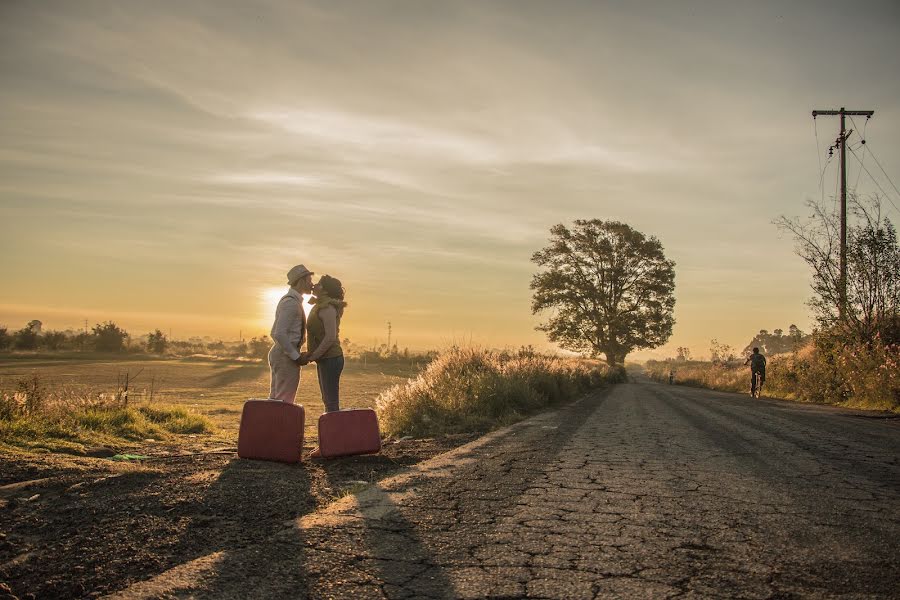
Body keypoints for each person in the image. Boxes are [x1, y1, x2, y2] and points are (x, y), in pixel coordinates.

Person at [268, 264, 314, 403]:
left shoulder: (292, 301)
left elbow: (274, 332)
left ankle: (272, 424)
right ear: (300, 281)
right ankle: (279, 424)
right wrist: (295, 356)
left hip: (282, 354)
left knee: (276, 399)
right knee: (284, 401)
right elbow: (279, 333)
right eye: (309, 280)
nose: (311, 284)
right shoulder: (291, 304)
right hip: (286, 357)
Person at [302, 275, 347, 413]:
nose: (315, 285)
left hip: (331, 358)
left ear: (325, 291)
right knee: (328, 399)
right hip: (325, 358)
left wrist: (313, 355)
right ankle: (333, 430)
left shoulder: (327, 308)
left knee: (330, 401)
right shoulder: (321, 305)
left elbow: (330, 337)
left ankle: (335, 432)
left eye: (319, 284)